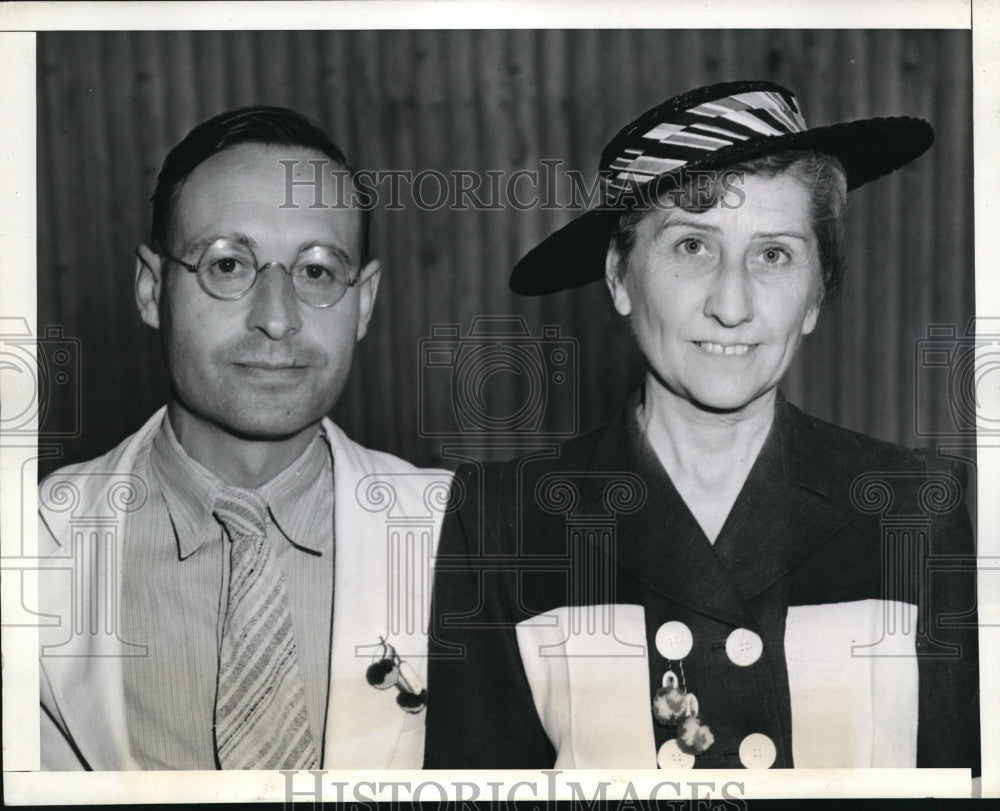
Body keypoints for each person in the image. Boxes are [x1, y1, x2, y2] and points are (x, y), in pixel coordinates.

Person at [425, 81, 980, 775]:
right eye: (692, 246)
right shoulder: (503, 523)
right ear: (620, 275)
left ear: (816, 294)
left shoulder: (919, 509)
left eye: (774, 254)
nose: (732, 302)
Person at [38, 106, 452, 770]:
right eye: (228, 265)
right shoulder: (29, 547)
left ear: (364, 302)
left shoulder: (463, 536)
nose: (277, 320)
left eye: (317, 271)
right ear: (152, 289)